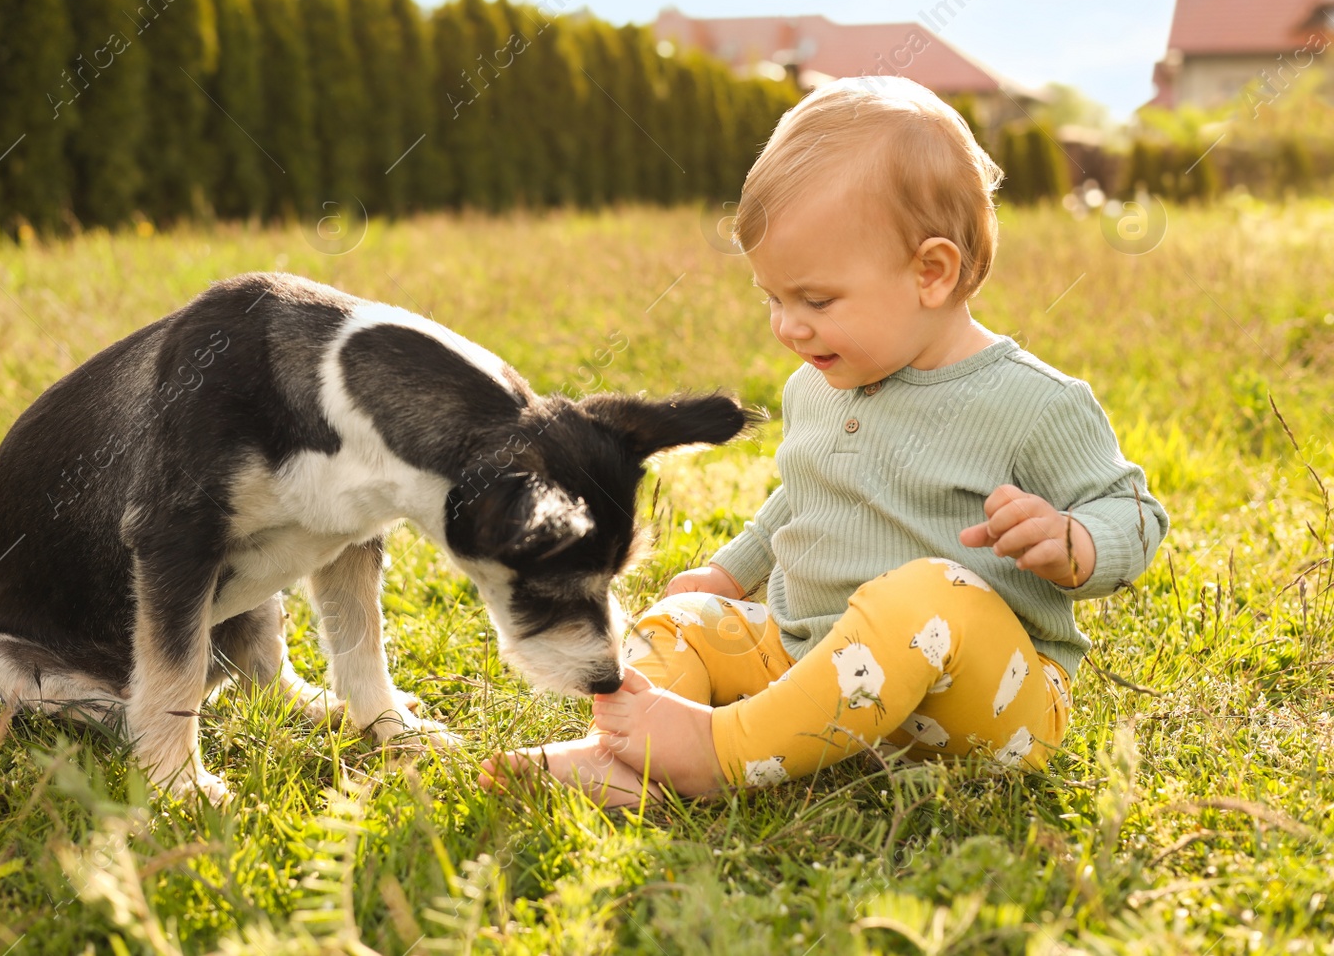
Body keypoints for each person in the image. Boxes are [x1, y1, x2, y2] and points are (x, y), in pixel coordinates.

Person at [478, 75, 1170, 806]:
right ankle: (627, 761)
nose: (789, 326)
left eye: (816, 299)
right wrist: (726, 573)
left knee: (926, 592)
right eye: (773, 297)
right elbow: (799, 500)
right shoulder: (816, 387)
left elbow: (1135, 514)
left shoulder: (1034, 401)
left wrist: (1073, 540)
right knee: (679, 618)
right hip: (811, 659)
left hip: (983, 706)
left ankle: (720, 752)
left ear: (931, 272)